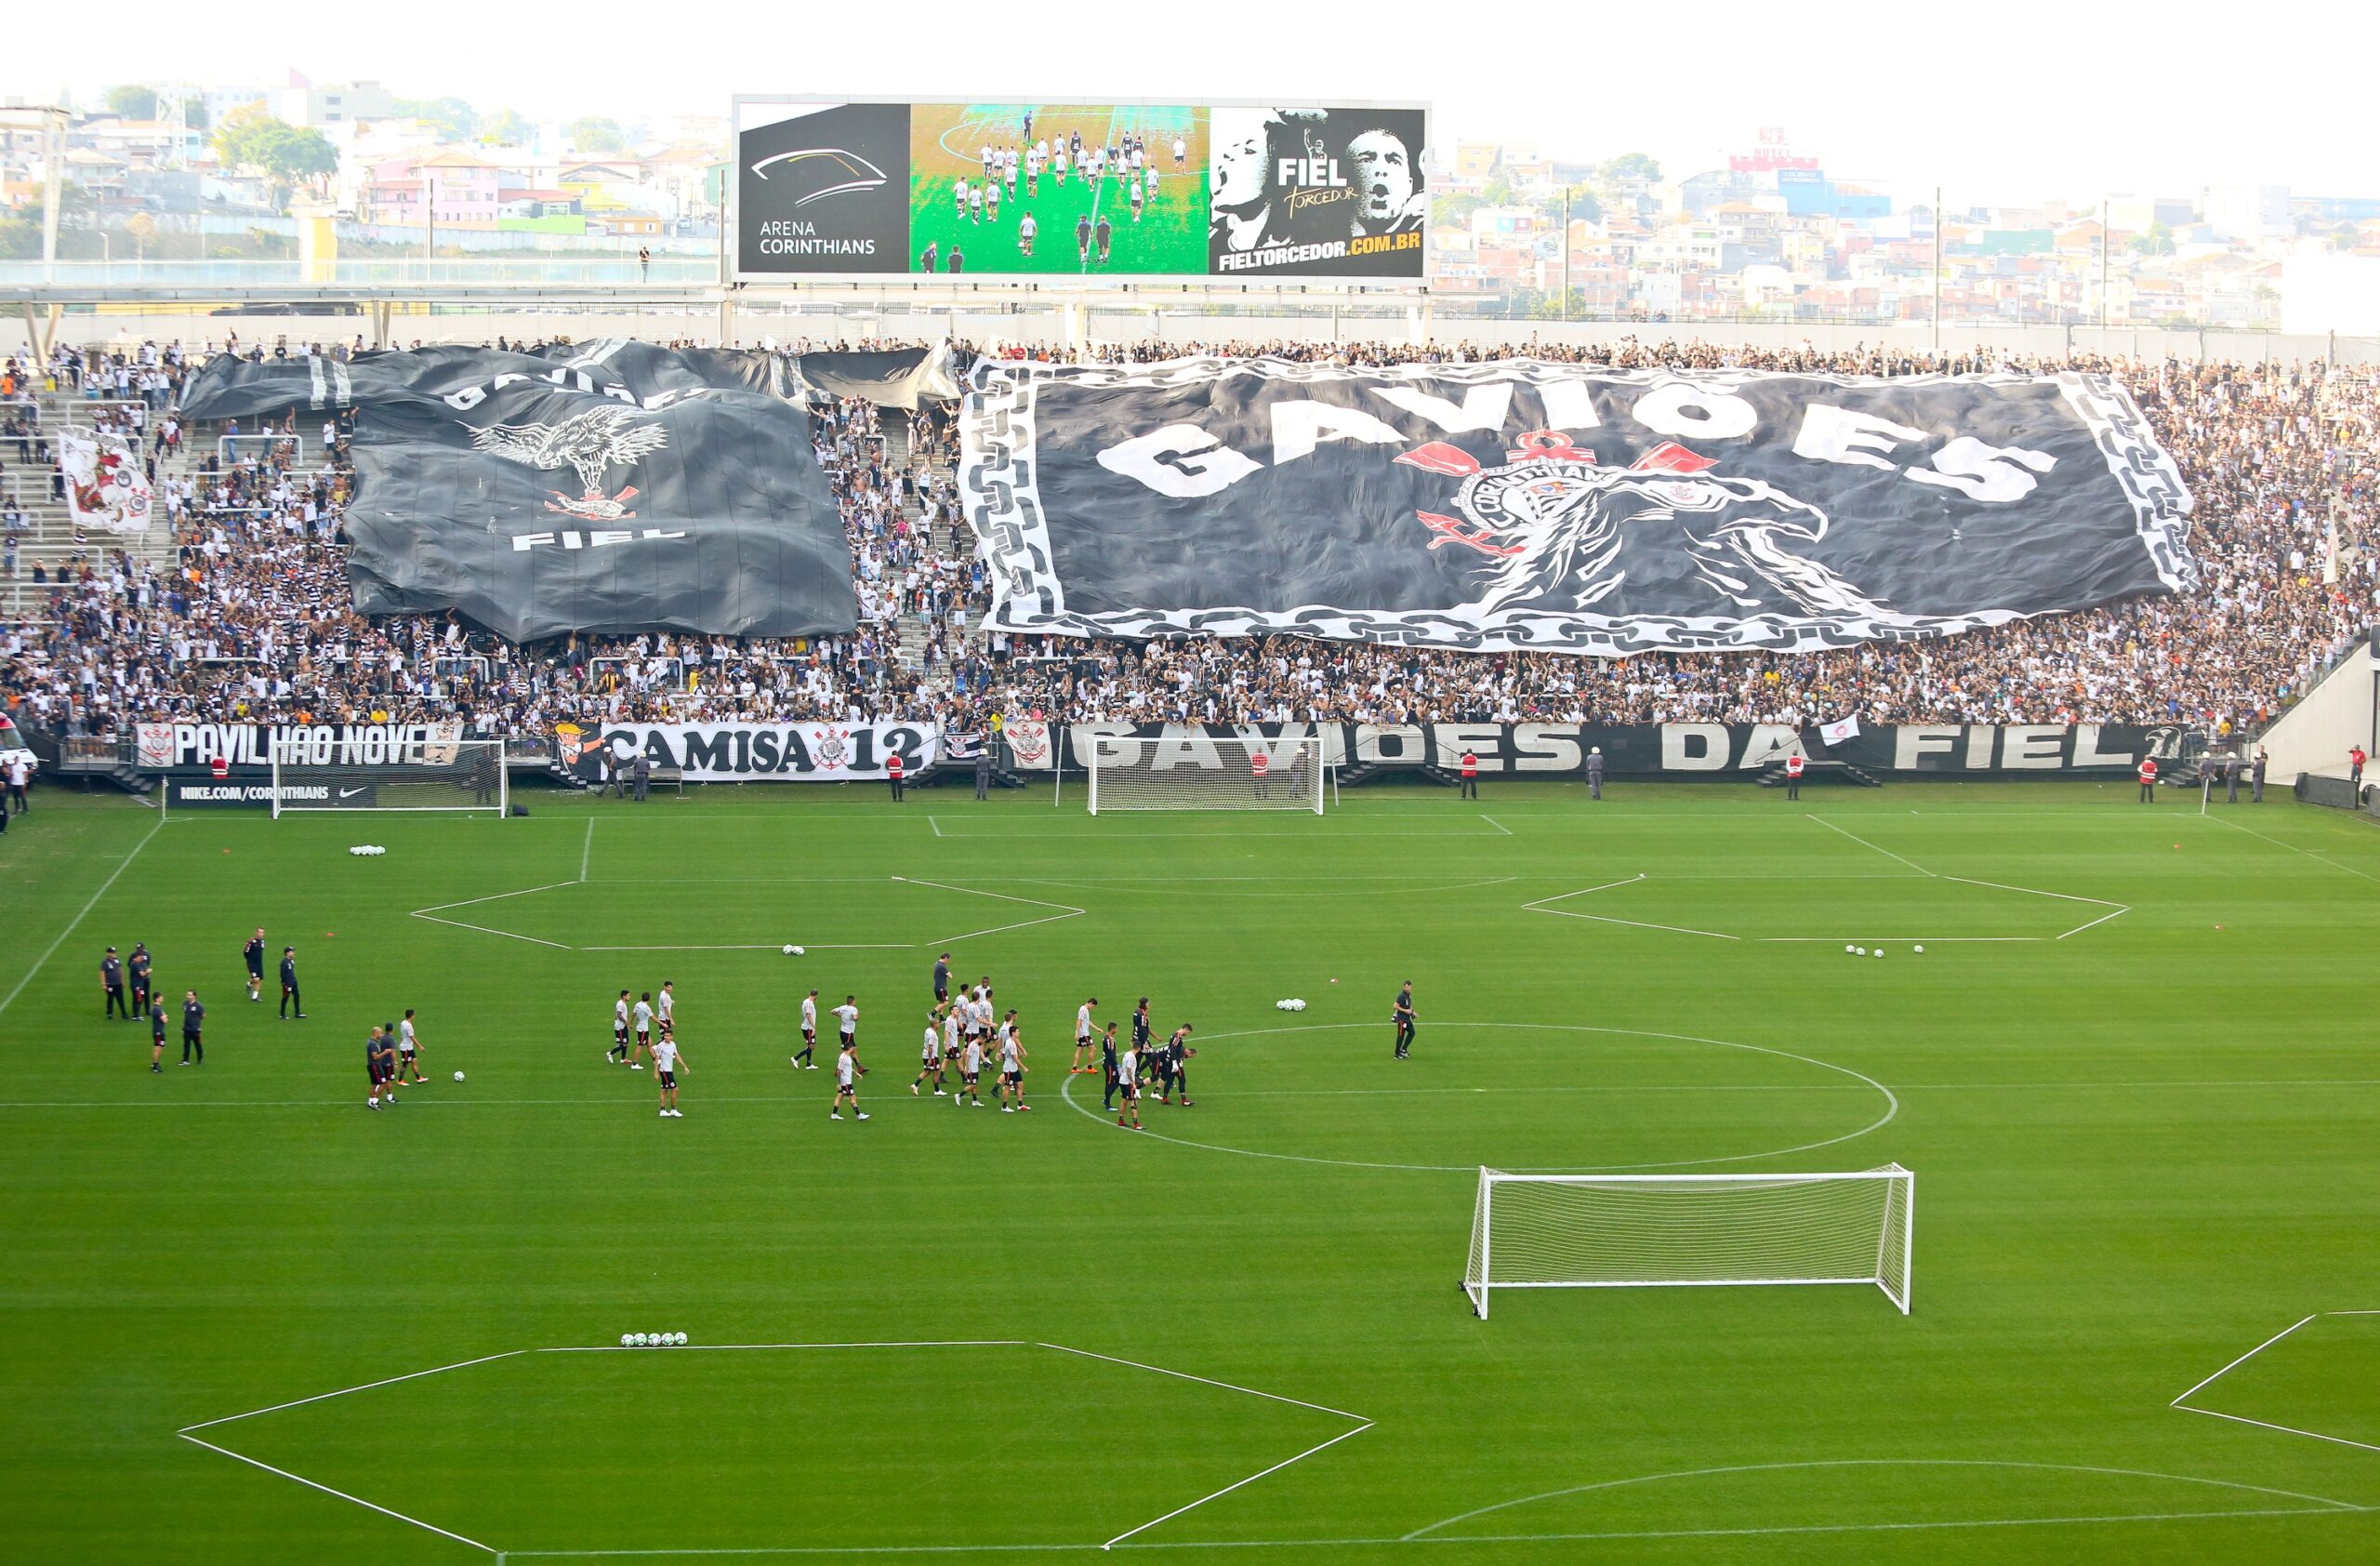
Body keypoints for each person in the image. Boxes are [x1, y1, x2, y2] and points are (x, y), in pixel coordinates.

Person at [997, 1010, 1028, 1112]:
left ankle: (1020, 1104)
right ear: (1013, 1033)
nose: (1019, 1033)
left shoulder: (1012, 1041)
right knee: (1007, 1087)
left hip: (1013, 1068)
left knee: (1020, 1084)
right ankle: (1004, 1107)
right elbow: (1015, 1058)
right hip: (1009, 1068)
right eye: (1018, 1031)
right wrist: (1023, 1067)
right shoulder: (1011, 1044)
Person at [829, 1038, 868, 1121]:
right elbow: (838, 1071)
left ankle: (834, 1114)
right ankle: (859, 1115)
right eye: (852, 1047)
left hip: (846, 1081)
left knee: (840, 1096)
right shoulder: (843, 1058)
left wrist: (856, 1073)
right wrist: (839, 1083)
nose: (852, 1049)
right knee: (852, 1097)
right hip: (846, 1082)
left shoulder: (846, 1056)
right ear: (850, 1048)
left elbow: (848, 1068)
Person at [1159, 1023, 1195, 1108]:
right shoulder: (1178, 1037)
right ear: (1186, 1029)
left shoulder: (1174, 1035)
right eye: (1188, 1032)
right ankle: (1184, 1100)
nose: (1187, 1034)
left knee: (1170, 1080)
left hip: (1170, 1061)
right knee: (1182, 1079)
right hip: (1174, 1062)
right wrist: (1175, 1062)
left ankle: (1164, 1098)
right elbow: (1173, 1049)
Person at [911, 1009, 945, 1096]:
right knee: (935, 1072)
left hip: (925, 1053)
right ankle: (937, 1090)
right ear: (935, 1025)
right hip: (932, 1056)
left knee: (927, 1071)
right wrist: (931, 1059)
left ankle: (915, 1085)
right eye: (938, 1023)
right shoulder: (933, 1034)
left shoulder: (928, 1030)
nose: (939, 1025)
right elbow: (930, 1047)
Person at [654, 1029, 687, 1117]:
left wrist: (684, 1066)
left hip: (669, 1070)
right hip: (665, 1071)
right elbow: (657, 1059)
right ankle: (673, 1109)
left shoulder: (673, 1044)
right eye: (665, 1036)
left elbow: (677, 1055)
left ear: (672, 1037)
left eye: (668, 1036)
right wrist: (656, 1072)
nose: (666, 1037)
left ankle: (662, 1110)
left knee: (664, 1090)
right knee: (675, 1089)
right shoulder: (660, 1046)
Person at [1116, 1036, 1144, 1129]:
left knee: (1124, 1100)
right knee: (1133, 1101)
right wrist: (1133, 1082)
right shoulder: (1132, 1057)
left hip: (1123, 1081)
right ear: (1139, 1048)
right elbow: (1128, 1070)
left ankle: (1121, 1120)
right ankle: (1136, 1124)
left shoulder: (1127, 1054)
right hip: (1128, 1082)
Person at [366, 1024, 396, 1109]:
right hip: (375, 1066)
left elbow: (382, 1036)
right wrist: (386, 1052)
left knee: (374, 1084)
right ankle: (375, 1102)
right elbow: (375, 1056)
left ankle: (370, 1101)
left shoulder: (373, 1041)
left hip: (372, 1065)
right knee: (383, 1082)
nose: (381, 1035)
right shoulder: (373, 1044)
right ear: (376, 1033)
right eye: (380, 1033)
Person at [397, 1008, 427, 1084]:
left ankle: (418, 1078)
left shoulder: (403, 1022)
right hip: (406, 1048)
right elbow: (412, 1037)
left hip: (408, 1047)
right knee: (405, 1064)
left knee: (414, 1061)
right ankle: (400, 1080)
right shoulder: (409, 1026)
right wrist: (420, 1046)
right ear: (412, 1016)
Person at [956, 1031, 985, 1108]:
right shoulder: (972, 1045)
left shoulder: (977, 1045)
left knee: (974, 1085)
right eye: (984, 1040)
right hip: (972, 1069)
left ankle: (974, 1101)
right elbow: (967, 1056)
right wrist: (966, 1068)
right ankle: (959, 1095)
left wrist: (985, 1061)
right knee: (973, 1084)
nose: (984, 1042)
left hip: (975, 1068)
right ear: (981, 1039)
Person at [101, 946, 130, 1020]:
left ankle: (124, 1014)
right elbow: (102, 973)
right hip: (110, 984)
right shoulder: (105, 962)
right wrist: (104, 984)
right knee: (110, 999)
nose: (114, 953)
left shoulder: (117, 960)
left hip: (118, 984)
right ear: (108, 953)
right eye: (112, 952)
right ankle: (109, 1013)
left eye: (114, 952)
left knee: (121, 999)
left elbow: (120, 970)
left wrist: (122, 980)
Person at [1070, 997, 1098, 1074]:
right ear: (1091, 1003)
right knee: (1093, 1049)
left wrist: (1096, 1028)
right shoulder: (1083, 1010)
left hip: (1082, 1034)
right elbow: (1079, 1021)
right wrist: (1077, 1033)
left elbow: (1087, 1022)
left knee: (1079, 1050)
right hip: (1084, 1034)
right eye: (1094, 1006)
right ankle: (1089, 1067)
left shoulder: (1084, 1009)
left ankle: (1074, 1068)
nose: (1093, 1008)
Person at [1100, 1020, 1122, 1110]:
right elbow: (1111, 1054)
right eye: (1116, 1028)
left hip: (1108, 1063)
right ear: (1112, 1029)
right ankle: (1107, 1104)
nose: (1116, 1030)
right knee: (1109, 1083)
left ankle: (1106, 1099)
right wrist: (1116, 1065)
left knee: (1118, 1080)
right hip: (1109, 1064)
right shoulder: (1110, 1040)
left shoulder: (1106, 1037)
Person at [795, 988, 819, 1069]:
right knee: (811, 1046)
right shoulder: (809, 1003)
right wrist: (813, 1027)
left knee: (810, 1045)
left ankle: (808, 1064)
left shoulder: (807, 1001)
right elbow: (809, 1015)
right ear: (816, 996)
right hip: (808, 1028)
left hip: (808, 1027)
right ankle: (795, 1058)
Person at [179, 989, 205, 1066]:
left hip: (195, 1029)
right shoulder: (185, 1004)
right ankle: (185, 1060)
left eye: (190, 995)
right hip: (186, 1028)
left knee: (197, 1044)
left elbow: (203, 1016)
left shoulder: (199, 1005)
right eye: (187, 995)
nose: (188, 996)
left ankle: (200, 1059)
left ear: (194, 996)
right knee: (186, 1045)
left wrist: (196, 1023)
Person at [279, 946, 305, 1019]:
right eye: (291, 951)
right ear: (287, 953)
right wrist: (285, 984)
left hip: (293, 982)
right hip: (288, 984)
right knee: (285, 998)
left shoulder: (291, 960)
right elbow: (282, 974)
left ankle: (297, 1013)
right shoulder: (284, 963)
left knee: (297, 996)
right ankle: (282, 1014)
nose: (293, 953)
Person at [127, 943, 152, 1018]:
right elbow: (129, 964)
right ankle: (136, 1013)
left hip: (145, 979)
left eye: (140, 948)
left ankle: (147, 1010)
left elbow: (147, 963)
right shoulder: (133, 956)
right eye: (138, 949)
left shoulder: (147, 954)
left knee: (146, 994)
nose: (139, 950)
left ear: (143, 948)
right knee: (138, 996)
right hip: (139, 979)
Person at [1393, 981, 1416, 1060]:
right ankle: (1397, 1054)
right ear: (1403, 987)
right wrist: (1405, 1011)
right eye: (1406, 987)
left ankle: (1403, 1049)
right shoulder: (1402, 996)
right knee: (1400, 1036)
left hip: (1407, 1019)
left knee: (1412, 1032)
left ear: (1411, 987)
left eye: (1409, 987)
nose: (1407, 989)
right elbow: (1395, 1006)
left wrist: (1413, 1013)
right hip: (1402, 1020)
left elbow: (1408, 1007)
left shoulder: (1408, 996)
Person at [631, 991, 654, 1068]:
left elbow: (632, 1014)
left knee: (649, 1043)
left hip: (640, 1028)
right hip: (643, 1029)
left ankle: (655, 1059)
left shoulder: (638, 1004)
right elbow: (653, 1018)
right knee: (640, 1045)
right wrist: (663, 1024)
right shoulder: (646, 1008)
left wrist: (630, 1024)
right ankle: (634, 1064)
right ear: (649, 999)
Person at [610, 989, 633, 1064]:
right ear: (624, 996)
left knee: (625, 1042)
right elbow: (618, 1015)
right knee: (622, 1044)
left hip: (623, 1026)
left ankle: (623, 1059)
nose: (629, 997)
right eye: (628, 995)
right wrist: (625, 1022)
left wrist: (627, 1025)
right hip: (620, 1027)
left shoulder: (623, 1003)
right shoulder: (621, 1004)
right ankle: (610, 1053)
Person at [834, 993, 860, 1060]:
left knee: (853, 1049)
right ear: (853, 1001)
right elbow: (855, 1018)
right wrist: (856, 1017)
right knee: (846, 1051)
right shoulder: (853, 1009)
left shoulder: (843, 1007)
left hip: (843, 1031)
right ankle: (839, 1067)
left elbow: (832, 1011)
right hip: (848, 1033)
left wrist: (841, 1015)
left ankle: (860, 1067)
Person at [244, 928, 266, 1002]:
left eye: (262, 932)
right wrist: (249, 959)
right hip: (252, 963)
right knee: (256, 979)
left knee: (259, 979)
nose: (261, 934)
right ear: (256, 933)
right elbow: (245, 951)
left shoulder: (262, 942)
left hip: (259, 963)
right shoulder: (251, 941)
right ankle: (249, 983)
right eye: (259, 932)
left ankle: (254, 997)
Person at [149, 1000, 166, 1072]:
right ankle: (155, 1066)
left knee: (161, 1047)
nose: (162, 998)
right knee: (157, 1048)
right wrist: (165, 1016)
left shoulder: (157, 1008)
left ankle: (155, 1063)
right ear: (157, 998)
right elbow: (165, 1020)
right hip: (158, 1032)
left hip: (160, 1032)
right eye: (161, 997)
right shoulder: (157, 1009)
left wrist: (164, 1016)